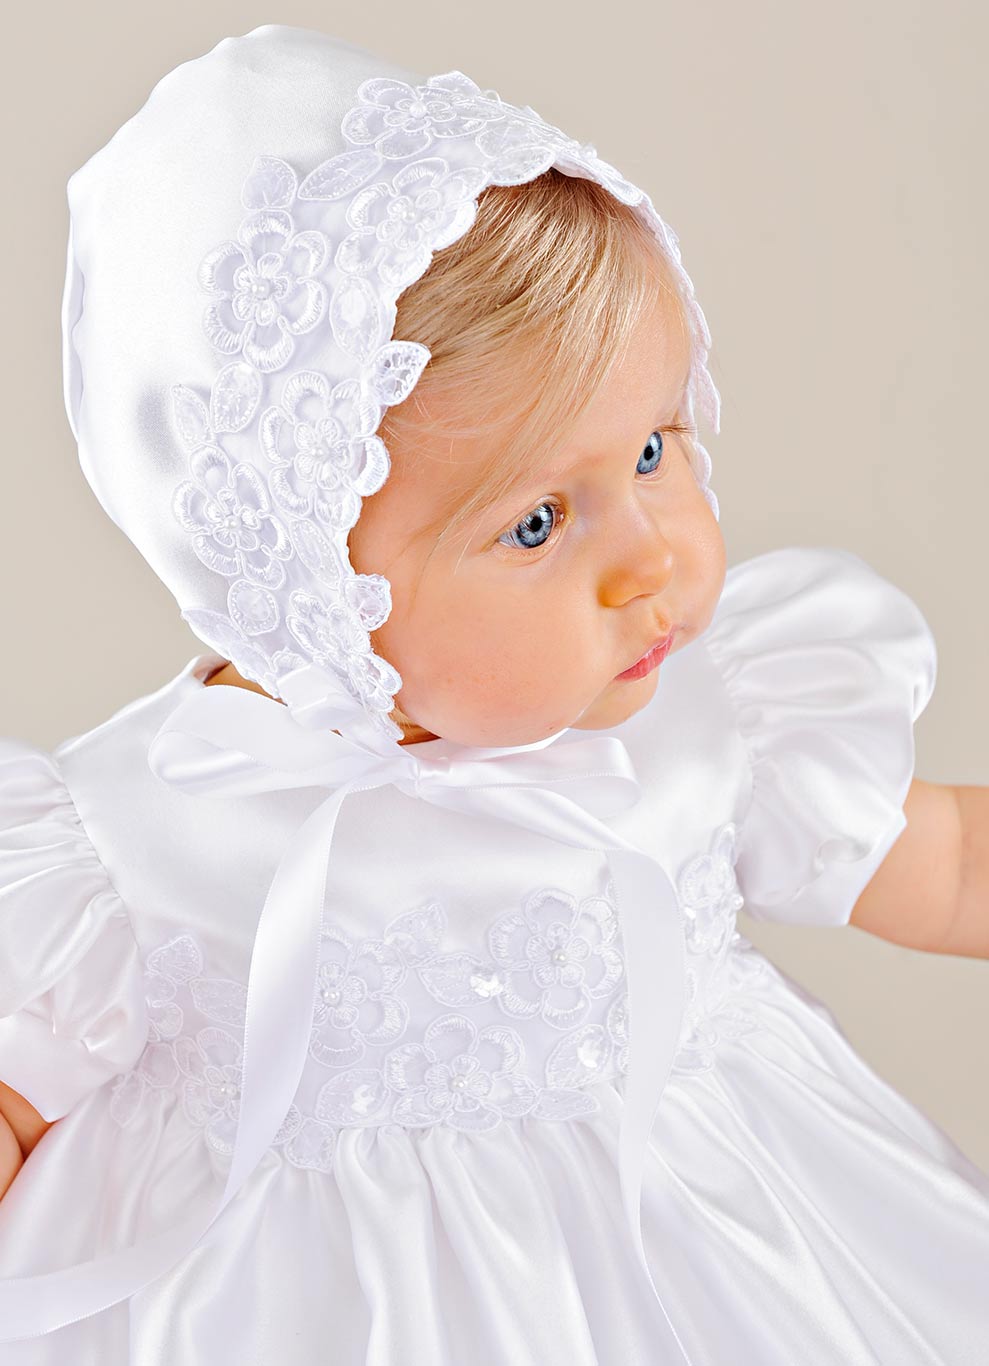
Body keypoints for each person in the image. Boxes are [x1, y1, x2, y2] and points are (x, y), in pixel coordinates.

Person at [0, 23, 987, 1365]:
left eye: (653, 450)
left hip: (711, 1270)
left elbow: (948, 863)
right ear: (310, 576)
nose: (649, 558)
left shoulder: (708, 725)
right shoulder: (134, 841)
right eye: (536, 523)